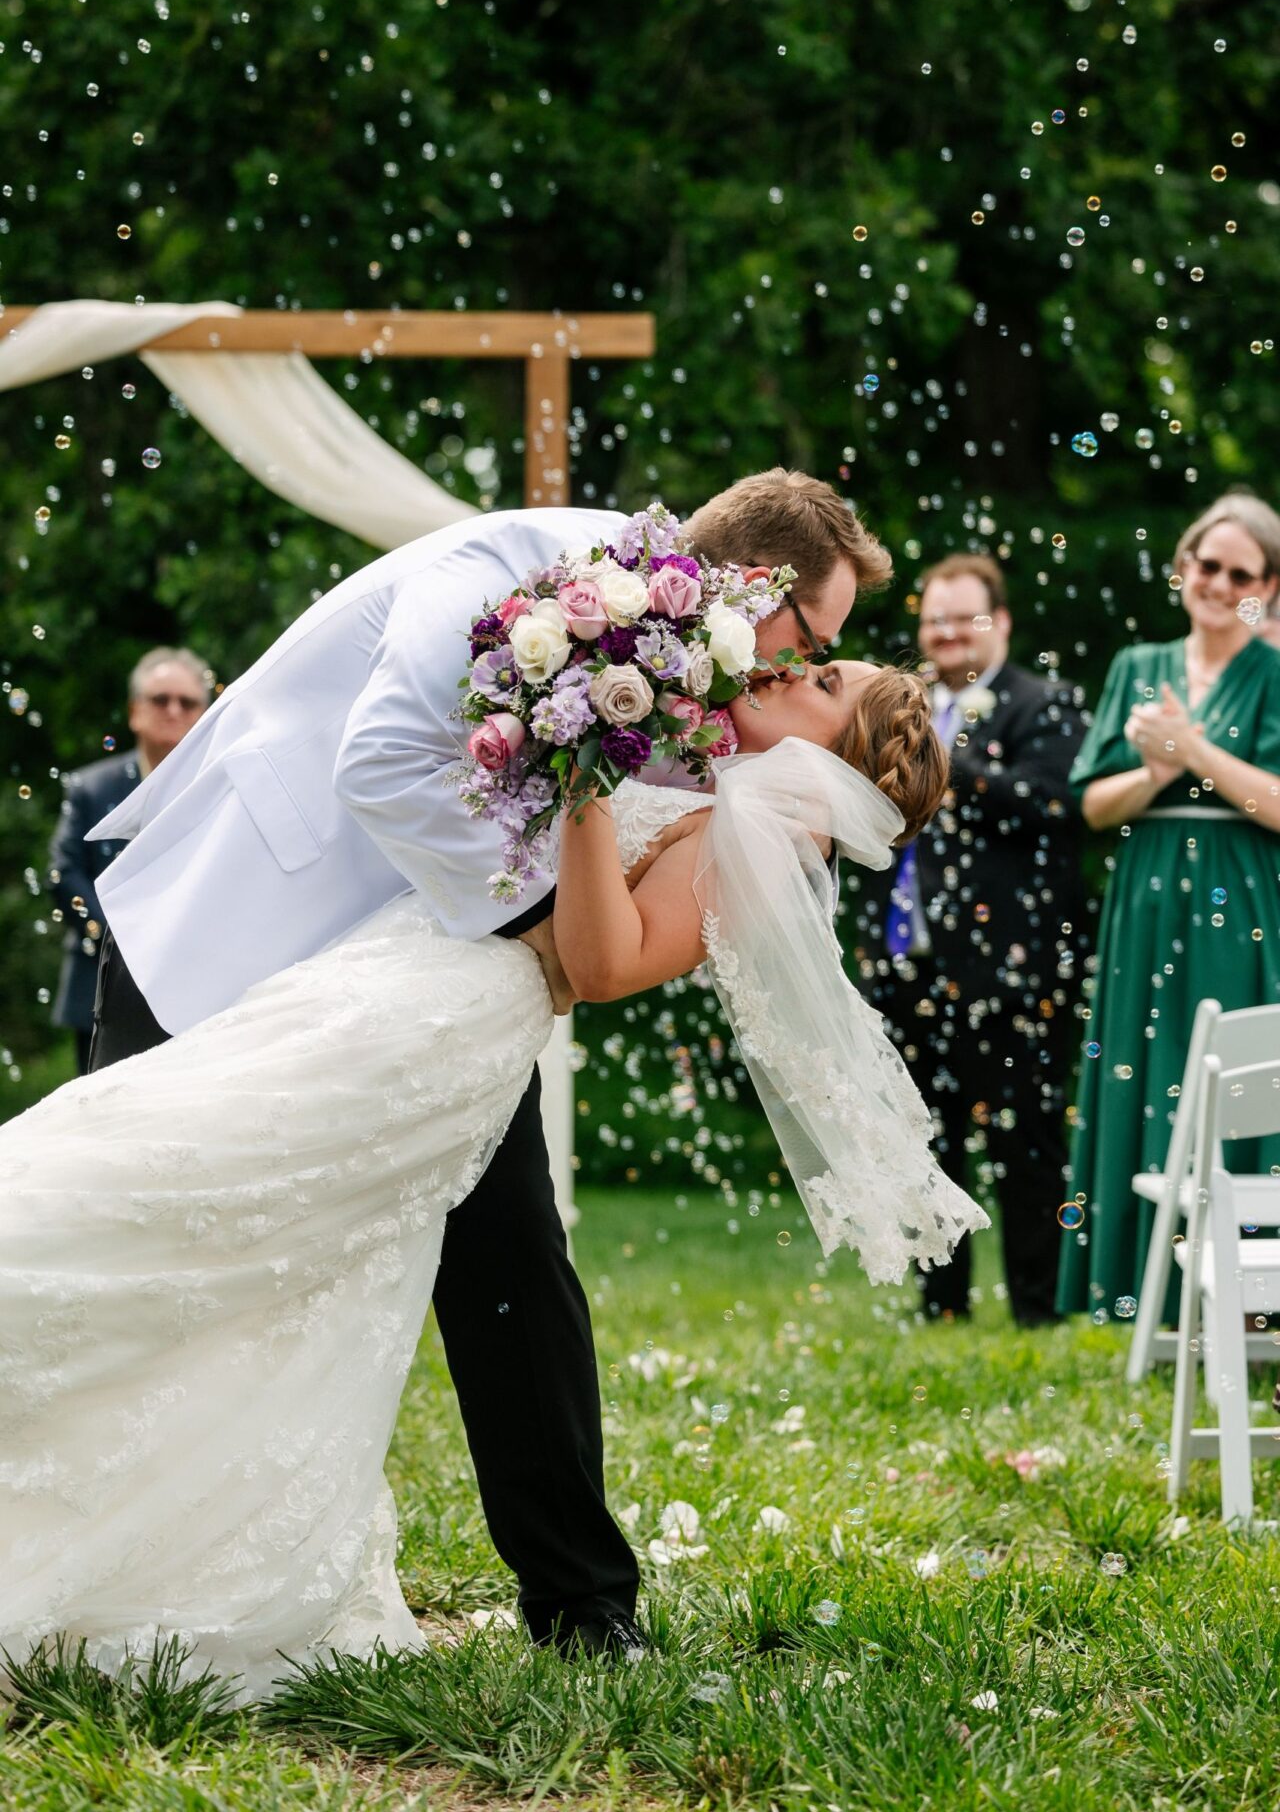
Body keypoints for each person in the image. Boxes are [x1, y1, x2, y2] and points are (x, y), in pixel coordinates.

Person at [0, 641, 987, 1697]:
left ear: (827, 760)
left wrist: (588, 788)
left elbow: (602, 963)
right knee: (212, 1197)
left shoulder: (762, 833)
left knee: (210, 1193)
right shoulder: (696, 753)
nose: (796, 670)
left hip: (443, 1020)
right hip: (388, 965)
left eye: (824, 687)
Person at [846, 554, 1089, 1326]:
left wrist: (951, 768)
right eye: (934, 621)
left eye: (965, 619)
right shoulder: (894, 713)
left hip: (1011, 975)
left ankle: (1037, 1311)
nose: (947, 634)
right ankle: (941, 1307)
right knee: (924, 1142)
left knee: (1026, 1146)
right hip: (907, 963)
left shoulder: (1043, 706)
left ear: (1002, 625)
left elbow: (1059, 804)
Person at [1057, 492, 1280, 1322]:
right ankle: (1135, 1286)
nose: (1219, 583)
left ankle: (1246, 1297)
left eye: (1241, 573)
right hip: (1147, 896)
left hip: (1243, 894)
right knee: (1145, 1069)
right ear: (1182, 567)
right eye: (1206, 564)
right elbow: (1088, 805)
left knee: (1234, 1075)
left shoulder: (1274, 675)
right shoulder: (1134, 667)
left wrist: (1192, 752)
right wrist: (1152, 776)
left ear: (1267, 587)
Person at [47, 648, 212, 1073]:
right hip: (100, 988)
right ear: (135, 711)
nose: (174, 710)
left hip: (197, 986)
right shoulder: (90, 788)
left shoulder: (217, 787)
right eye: (160, 700)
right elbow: (64, 872)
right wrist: (122, 940)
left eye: (188, 702)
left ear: (205, 715)